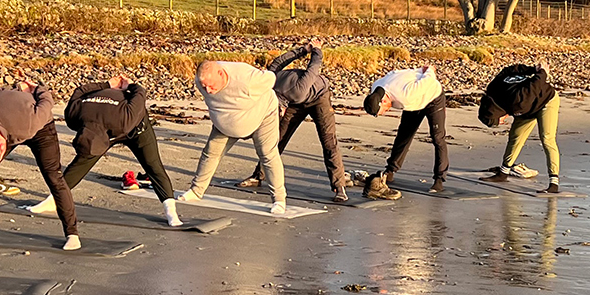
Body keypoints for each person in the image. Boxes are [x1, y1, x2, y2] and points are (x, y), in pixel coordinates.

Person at [44, 75, 183, 227]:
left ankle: (171, 211)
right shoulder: (73, 116)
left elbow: (140, 94)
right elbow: (80, 90)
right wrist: (106, 84)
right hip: (102, 120)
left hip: (136, 129)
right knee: (80, 163)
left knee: (152, 165)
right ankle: (53, 200)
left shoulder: (125, 120)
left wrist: (130, 86)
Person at [0, 83, 80, 249]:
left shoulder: (28, 123)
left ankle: (72, 234)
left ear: (2, 146)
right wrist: (10, 90)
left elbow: (47, 102)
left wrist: (36, 90)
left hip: (40, 127)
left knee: (54, 177)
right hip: (8, 119)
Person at [242, 43, 348, 204]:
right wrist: (300, 51)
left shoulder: (296, 92)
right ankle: (258, 176)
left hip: (319, 96)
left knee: (328, 142)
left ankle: (339, 187)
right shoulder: (267, 83)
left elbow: (313, 69)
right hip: (294, 101)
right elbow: (278, 63)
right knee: (278, 138)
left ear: (282, 110)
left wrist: (314, 50)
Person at [183, 60, 288, 214]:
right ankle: (196, 191)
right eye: (204, 87)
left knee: (268, 154)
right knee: (211, 153)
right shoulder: (202, 81)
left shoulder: (247, 78)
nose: (209, 91)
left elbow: (271, 78)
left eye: (211, 86)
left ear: (221, 73)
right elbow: (207, 86)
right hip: (225, 121)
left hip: (261, 116)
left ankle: (279, 200)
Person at [362, 64, 446, 196]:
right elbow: (394, 73)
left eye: (382, 111)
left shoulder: (406, 96)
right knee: (404, 135)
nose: (384, 113)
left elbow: (428, 81)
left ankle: (439, 179)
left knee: (437, 137)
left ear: (383, 101)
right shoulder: (376, 87)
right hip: (414, 104)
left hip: (433, 97)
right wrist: (416, 71)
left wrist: (428, 70)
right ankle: (390, 171)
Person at [477, 62, 561, 192]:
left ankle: (553, 183)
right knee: (515, 137)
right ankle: (503, 173)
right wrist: (531, 69)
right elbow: (508, 70)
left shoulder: (518, 102)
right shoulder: (492, 89)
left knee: (547, 138)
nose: (503, 122)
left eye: (499, 122)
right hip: (526, 106)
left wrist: (541, 71)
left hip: (546, 101)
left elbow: (535, 85)